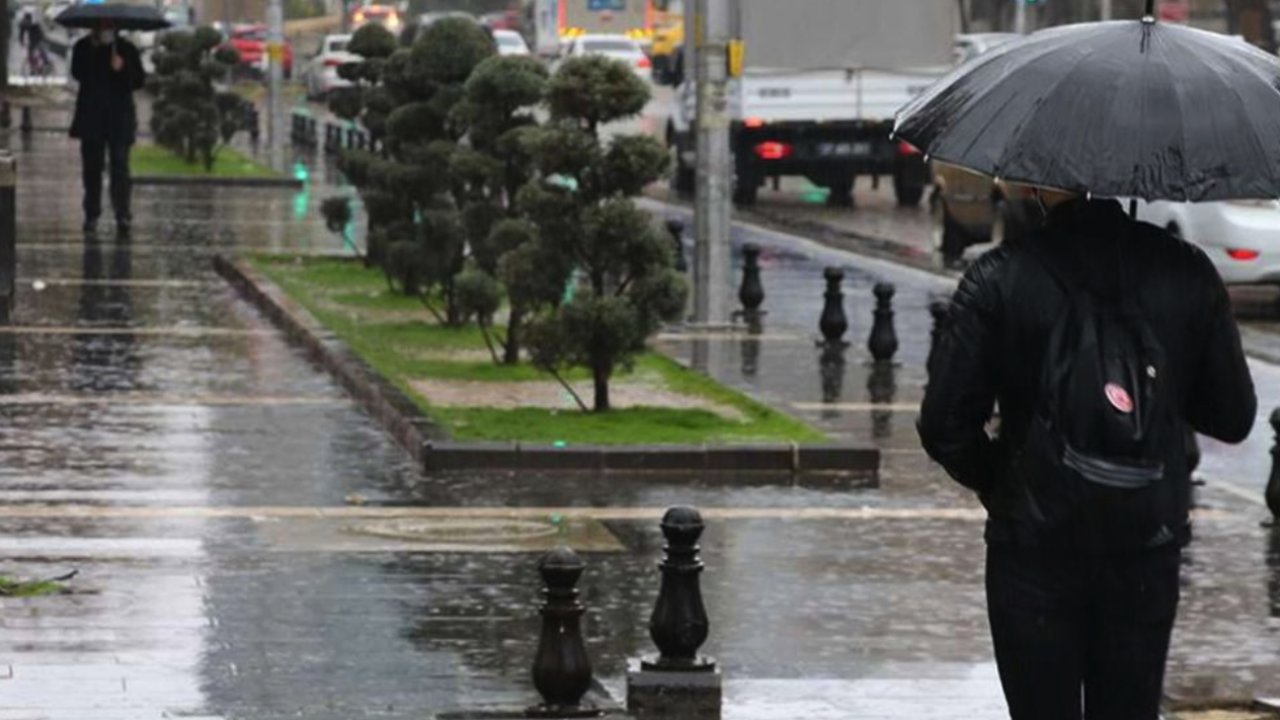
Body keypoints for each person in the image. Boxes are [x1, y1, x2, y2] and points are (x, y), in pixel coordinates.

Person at [918, 189, 1256, 720]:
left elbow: (944, 424)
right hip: (1145, 544)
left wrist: (1006, 483)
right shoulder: (1187, 272)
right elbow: (1233, 417)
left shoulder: (1000, 277)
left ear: (1039, 186)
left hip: (1033, 548)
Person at [70, 22, 146, 235]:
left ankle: (122, 213)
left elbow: (138, 80)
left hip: (119, 118)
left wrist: (122, 68)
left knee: (120, 166)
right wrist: (95, 54)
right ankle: (91, 213)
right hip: (92, 117)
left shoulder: (126, 49)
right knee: (92, 168)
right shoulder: (83, 47)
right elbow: (77, 72)